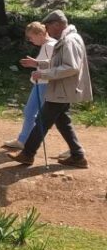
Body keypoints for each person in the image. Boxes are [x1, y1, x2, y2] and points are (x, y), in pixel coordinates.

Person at [8, 10, 92, 168]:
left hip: (62, 89)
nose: (47, 30)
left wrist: (44, 73)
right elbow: (59, 62)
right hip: (62, 88)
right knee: (63, 122)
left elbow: (71, 67)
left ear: (57, 24)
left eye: (48, 26)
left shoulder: (69, 40)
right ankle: (78, 156)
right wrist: (39, 64)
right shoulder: (68, 38)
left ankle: (28, 154)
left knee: (42, 120)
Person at [2, 22, 56, 150]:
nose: (30, 40)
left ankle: (24, 141)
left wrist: (36, 64)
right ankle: (25, 140)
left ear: (40, 34)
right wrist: (34, 64)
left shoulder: (49, 45)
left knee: (31, 112)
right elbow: (48, 64)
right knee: (39, 113)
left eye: (31, 37)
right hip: (43, 82)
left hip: (43, 83)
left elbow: (53, 64)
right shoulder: (49, 44)